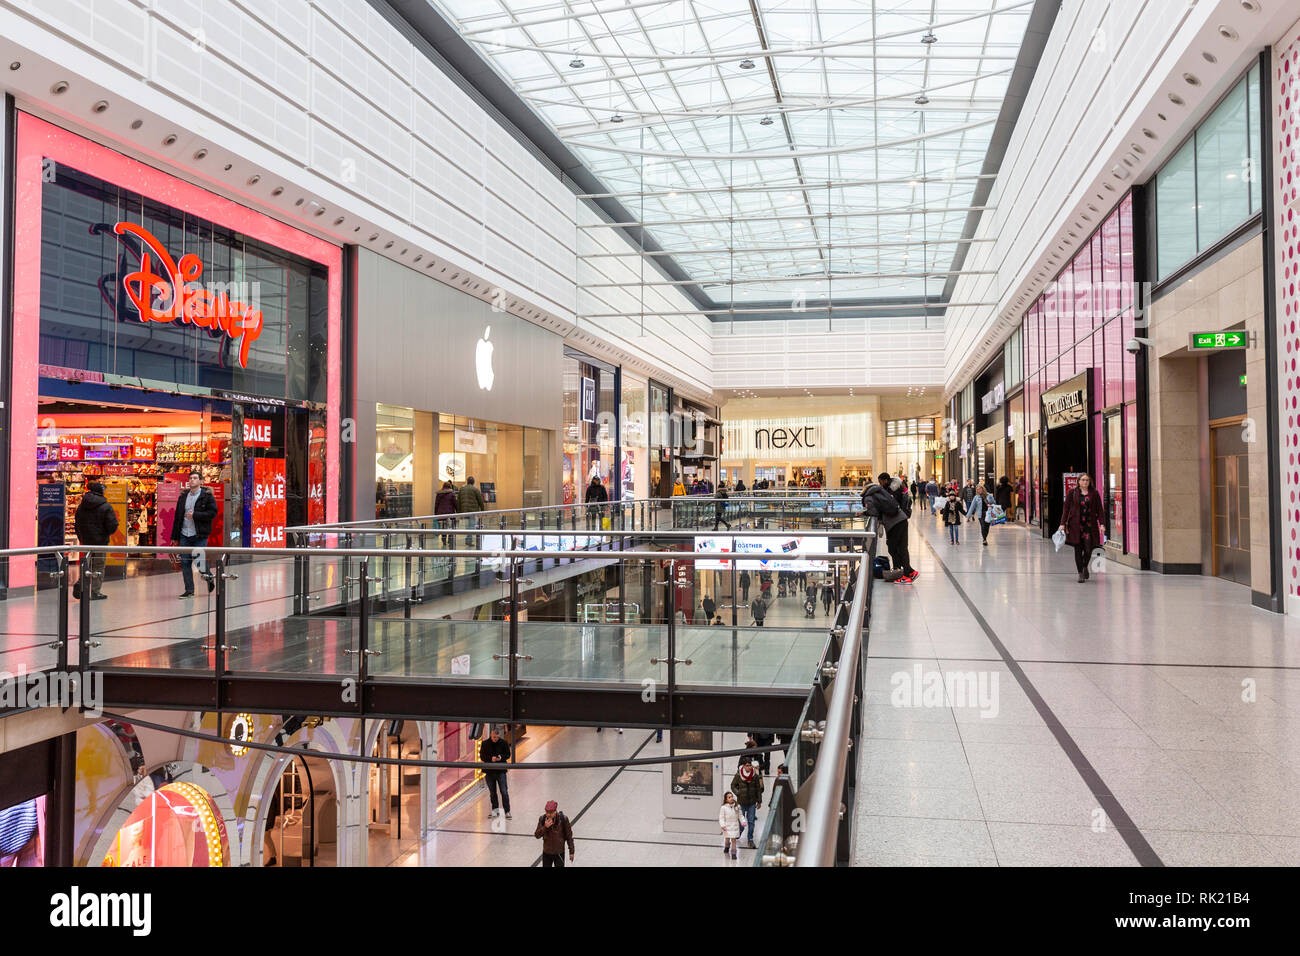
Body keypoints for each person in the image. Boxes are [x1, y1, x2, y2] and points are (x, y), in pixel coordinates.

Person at [171, 470, 218, 598]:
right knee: (185, 562)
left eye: (195, 478)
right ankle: (189, 590)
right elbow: (177, 518)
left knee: (198, 560)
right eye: (190, 478)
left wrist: (195, 515)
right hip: (184, 534)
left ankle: (208, 577)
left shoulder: (207, 496)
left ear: (201, 481)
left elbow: (213, 513)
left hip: (199, 534)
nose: (192, 480)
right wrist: (174, 537)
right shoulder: (183, 497)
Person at [861, 472, 916, 583]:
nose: (880, 483)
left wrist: (864, 513)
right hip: (901, 519)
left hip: (895, 522)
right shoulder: (880, 491)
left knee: (895, 547)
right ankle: (907, 572)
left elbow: (873, 512)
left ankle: (904, 573)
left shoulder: (869, 496)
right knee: (900, 547)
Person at [73, 480, 118, 601]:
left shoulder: (82, 506)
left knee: (87, 564)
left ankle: (81, 583)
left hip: (86, 541)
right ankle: (94, 591)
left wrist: (81, 536)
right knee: (98, 566)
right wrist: (105, 533)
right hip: (100, 542)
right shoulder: (105, 506)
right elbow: (113, 524)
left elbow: (76, 522)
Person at [1060, 473, 1109, 583]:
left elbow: (1099, 510)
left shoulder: (1094, 493)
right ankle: (1080, 573)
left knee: (1089, 549)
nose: (1085, 482)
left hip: (1089, 526)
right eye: (1083, 480)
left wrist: (1102, 524)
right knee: (1078, 549)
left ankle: (1084, 565)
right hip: (1075, 526)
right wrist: (1062, 523)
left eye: (1087, 480)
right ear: (1078, 481)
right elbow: (1066, 509)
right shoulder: (1072, 493)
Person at [730, 756, 764, 849]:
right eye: (747, 765)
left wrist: (759, 801)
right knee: (741, 822)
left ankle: (750, 839)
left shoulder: (755, 776)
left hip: (752, 802)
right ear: (743, 766)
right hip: (741, 802)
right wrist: (738, 793)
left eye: (750, 765)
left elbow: (758, 789)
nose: (749, 767)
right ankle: (739, 832)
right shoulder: (738, 775)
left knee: (751, 821)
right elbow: (733, 785)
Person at [479, 727, 511, 819]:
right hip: (489, 772)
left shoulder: (504, 743)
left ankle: (507, 811)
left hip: (501, 771)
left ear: (499, 736)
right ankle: (495, 810)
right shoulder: (485, 744)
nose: (495, 739)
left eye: (496, 737)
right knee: (492, 793)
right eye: (493, 737)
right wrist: (490, 759)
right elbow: (482, 756)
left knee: (504, 792)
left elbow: (508, 754)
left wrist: (501, 758)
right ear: (491, 735)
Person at [534, 800, 575, 867]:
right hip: (547, 852)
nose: (549, 815)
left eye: (551, 813)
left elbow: (569, 836)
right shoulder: (542, 819)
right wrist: (545, 827)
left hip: (559, 853)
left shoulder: (563, 819)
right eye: (547, 812)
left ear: (555, 811)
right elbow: (537, 835)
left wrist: (571, 851)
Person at [434, 480, 458, 547]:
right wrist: (458, 511)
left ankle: (443, 540)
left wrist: (435, 513)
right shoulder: (452, 494)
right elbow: (455, 503)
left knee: (443, 528)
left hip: (441, 514)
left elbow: (436, 504)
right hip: (450, 514)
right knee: (450, 527)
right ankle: (450, 540)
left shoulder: (439, 494)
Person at [719, 792, 743, 860]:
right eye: (729, 797)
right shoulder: (723, 808)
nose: (731, 798)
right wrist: (723, 825)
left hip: (735, 826)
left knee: (734, 840)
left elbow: (740, 816)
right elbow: (721, 818)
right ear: (726, 800)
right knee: (727, 839)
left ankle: (734, 853)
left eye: (732, 796)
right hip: (727, 826)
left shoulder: (737, 806)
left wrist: (743, 821)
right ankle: (727, 846)